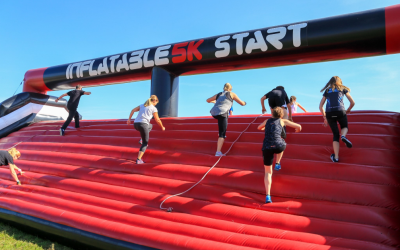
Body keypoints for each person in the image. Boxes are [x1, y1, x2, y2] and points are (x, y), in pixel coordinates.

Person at [257, 107, 302, 203]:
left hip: (267, 147)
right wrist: (298, 130)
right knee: (282, 143)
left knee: (268, 172)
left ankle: (268, 196)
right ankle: (277, 163)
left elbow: (258, 127)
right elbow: (298, 126)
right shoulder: (282, 121)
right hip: (278, 146)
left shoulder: (267, 120)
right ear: (281, 115)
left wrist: (266, 127)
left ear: (272, 114)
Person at [319, 76, 355, 163]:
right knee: (344, 126)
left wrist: (325, 117)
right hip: (340, 111)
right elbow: (352, 102)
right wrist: (348, 109)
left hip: (330, 113)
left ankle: (336, 157)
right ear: (340, 82)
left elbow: (320, 106)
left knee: (335, 134)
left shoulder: (327, 91)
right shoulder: (342, 89)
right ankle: (343, 136)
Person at [207, 83, 246, 156]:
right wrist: (245, 103)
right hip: (223, 113)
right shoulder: (232, 94)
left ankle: (221, 134)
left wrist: (215, 102)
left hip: (214, 112)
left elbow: (208, 100)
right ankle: (218, 152)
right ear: (230, 88)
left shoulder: (219, 94)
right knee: (222, 133)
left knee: (221, 124)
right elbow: (241, 103)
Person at [127, 95, 165, 164]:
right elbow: (157, 119)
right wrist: (162, 127)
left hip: (136, 124)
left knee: (150, 126)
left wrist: (129, 120)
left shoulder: (142, 105)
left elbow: (133, 110)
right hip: (143, 125)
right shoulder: (153, 108)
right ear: (154, 101)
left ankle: (142, 139)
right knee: (145, 143)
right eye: (156, 102)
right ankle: (139, 159)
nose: (156, 104)